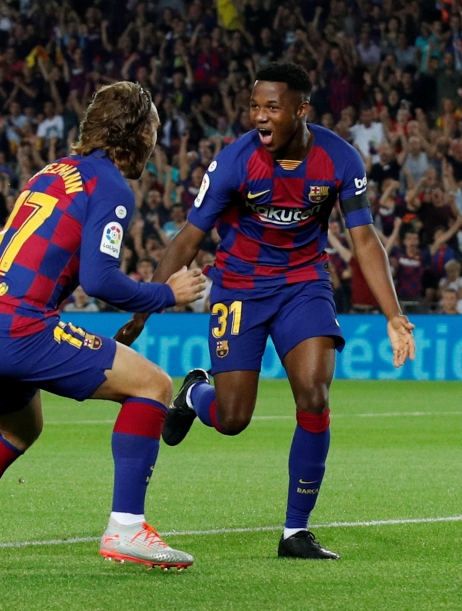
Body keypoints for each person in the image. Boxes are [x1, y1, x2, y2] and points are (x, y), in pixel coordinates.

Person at [115, 64, 416, 560]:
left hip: (303, 284)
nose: (260, 116)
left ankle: (295, 531)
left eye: (272, 107)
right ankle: (195, 396)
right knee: (233, 419)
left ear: (301, 110)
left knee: (315, 394)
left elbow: (364, 240)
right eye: (255, 106)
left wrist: (393, 314)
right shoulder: (235, 162)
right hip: (239, 289)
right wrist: (146, 307)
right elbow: (188, 238)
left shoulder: (341, 160)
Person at [0, 82, 205, 569]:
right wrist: (169, 293)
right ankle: (126, 528)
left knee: (19, 430)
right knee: (154, 385)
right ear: (136, 133)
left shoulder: (54, 172)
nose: (155, 139)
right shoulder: (109, 184)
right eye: (153, 128)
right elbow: (99, 279)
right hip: (18, 326)